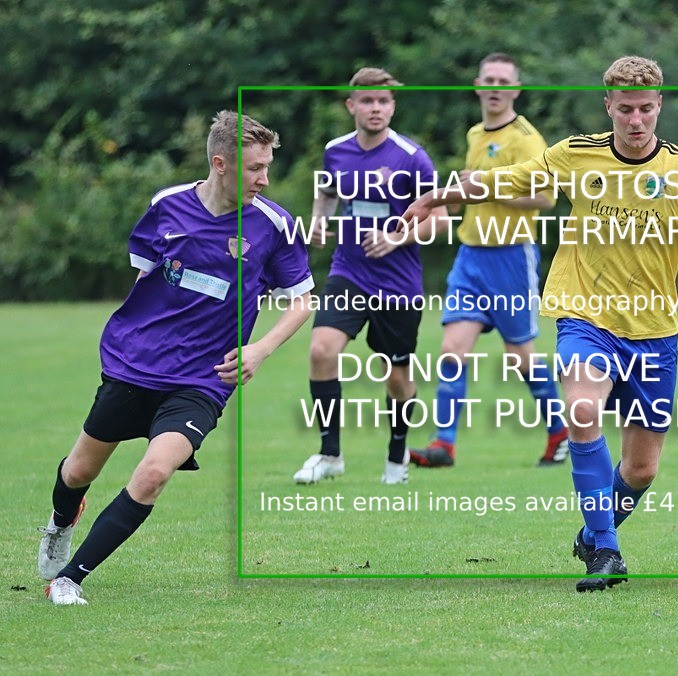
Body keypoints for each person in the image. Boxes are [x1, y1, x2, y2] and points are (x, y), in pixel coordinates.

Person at [403, 56, 678, 592]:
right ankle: (606, 552)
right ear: (608, 105)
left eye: (646, 110)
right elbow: (507, 180)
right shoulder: (575, 156)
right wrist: (438, 195)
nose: (636, 121)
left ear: (660, 107)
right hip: (584, 316)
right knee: (583, 407)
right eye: (626, 109)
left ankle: (594, 532)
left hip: (655, 331)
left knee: (642, 471)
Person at [38, 111, 315, 606]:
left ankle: (69, 578)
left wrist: (261, 348)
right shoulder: (166, 206)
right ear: (220, 163)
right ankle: (60, 524)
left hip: (203, 380)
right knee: (79, 472)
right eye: (255, 168)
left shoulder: (274, 224)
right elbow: (144, 278)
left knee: (153, 473)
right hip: (136, 366)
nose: (264, 179)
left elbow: (302, 299)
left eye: (267, 166)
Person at [408, 52, 567, 470]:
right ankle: (444, 445)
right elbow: (470, 188)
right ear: (478, 85)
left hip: (511, 256)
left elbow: (546, 199)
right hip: (470, 256)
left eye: (504, 80)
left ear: (515, 89)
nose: (495, 87)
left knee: (521, 356)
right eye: (489, 79)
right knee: (451, 349)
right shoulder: (475, 133)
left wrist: (484, 190)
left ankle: (561, 433)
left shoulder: (527, 140)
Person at [292, 67, 449, 486]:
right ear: (352, 106)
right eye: (367, 101)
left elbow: (441, 221)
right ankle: (330, 455)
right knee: (322, 350)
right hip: (349, 272)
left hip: (398, 284)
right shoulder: (336, 151)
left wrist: (398, 238)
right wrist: (319, 221)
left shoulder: (412, 157)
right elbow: (326, 192)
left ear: (392, 106)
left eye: (382, 101)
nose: (375, 108)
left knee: (397, 377)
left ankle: (397, 459)